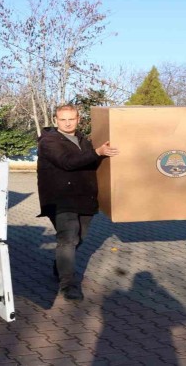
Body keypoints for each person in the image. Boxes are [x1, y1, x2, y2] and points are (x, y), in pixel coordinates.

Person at [37, 104, 119, 301]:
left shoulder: (84, 140)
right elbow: (67, 161)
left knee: (79, 238)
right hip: (61, 199)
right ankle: (68, 285)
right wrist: (97, 152)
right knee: (68, 239)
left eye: (71, 119)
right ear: (56, 120)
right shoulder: (49, 141)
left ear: (78, 119)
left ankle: (60, 265)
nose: (67, 123)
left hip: (85, 197)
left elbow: (93, 163)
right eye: (63, 119)